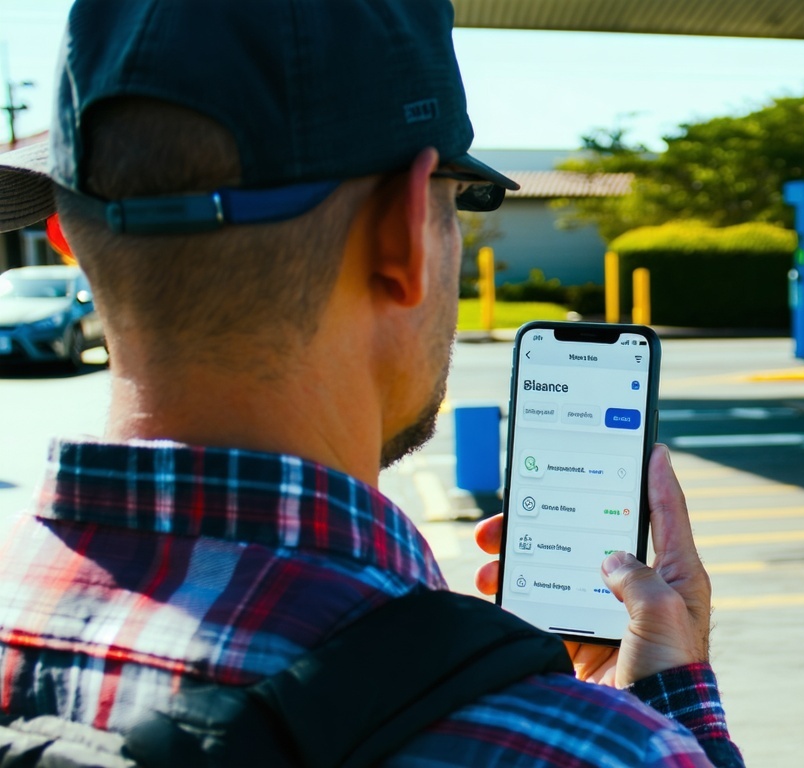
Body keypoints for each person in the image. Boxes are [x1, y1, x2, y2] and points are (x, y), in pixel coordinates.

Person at [0, 1, 743, 765]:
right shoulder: (585, 748)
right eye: (458, 205)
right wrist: (666, 712)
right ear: (403, 235)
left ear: (67, 240)